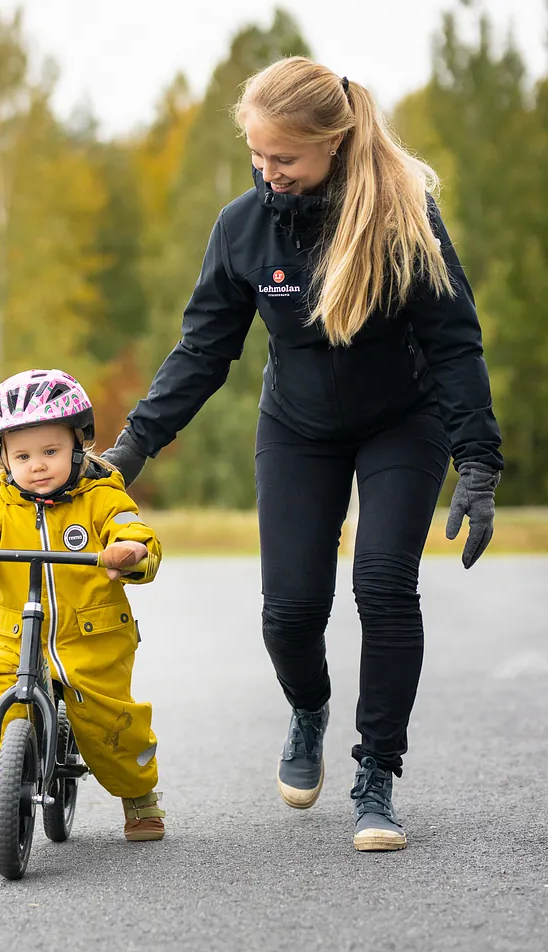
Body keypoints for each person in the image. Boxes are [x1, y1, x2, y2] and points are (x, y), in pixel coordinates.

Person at [102, 57, 502, 853]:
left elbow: (453, 343)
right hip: (297, 428)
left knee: (384, 585)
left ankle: (377, 772)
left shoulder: (401, 215)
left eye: (284, 158)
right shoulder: (242, 228)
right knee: (289, 613)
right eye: (258, 158)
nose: (269, 173)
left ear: (335, 142)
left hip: (402, 421)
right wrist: (132, 446)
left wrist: (479, 462)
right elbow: (203, 350)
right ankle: (309, 706)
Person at [0, 369, 165, 857]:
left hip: (91, 639)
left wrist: (129, 551)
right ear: (4, 458)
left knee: (110, 723)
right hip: (17, 640)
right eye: (23, 455)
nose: (36, 466)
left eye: (50, 452)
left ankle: (139, 795)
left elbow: (132, 529)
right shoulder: (0, 506)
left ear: (78, 446)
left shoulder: (102, 497)